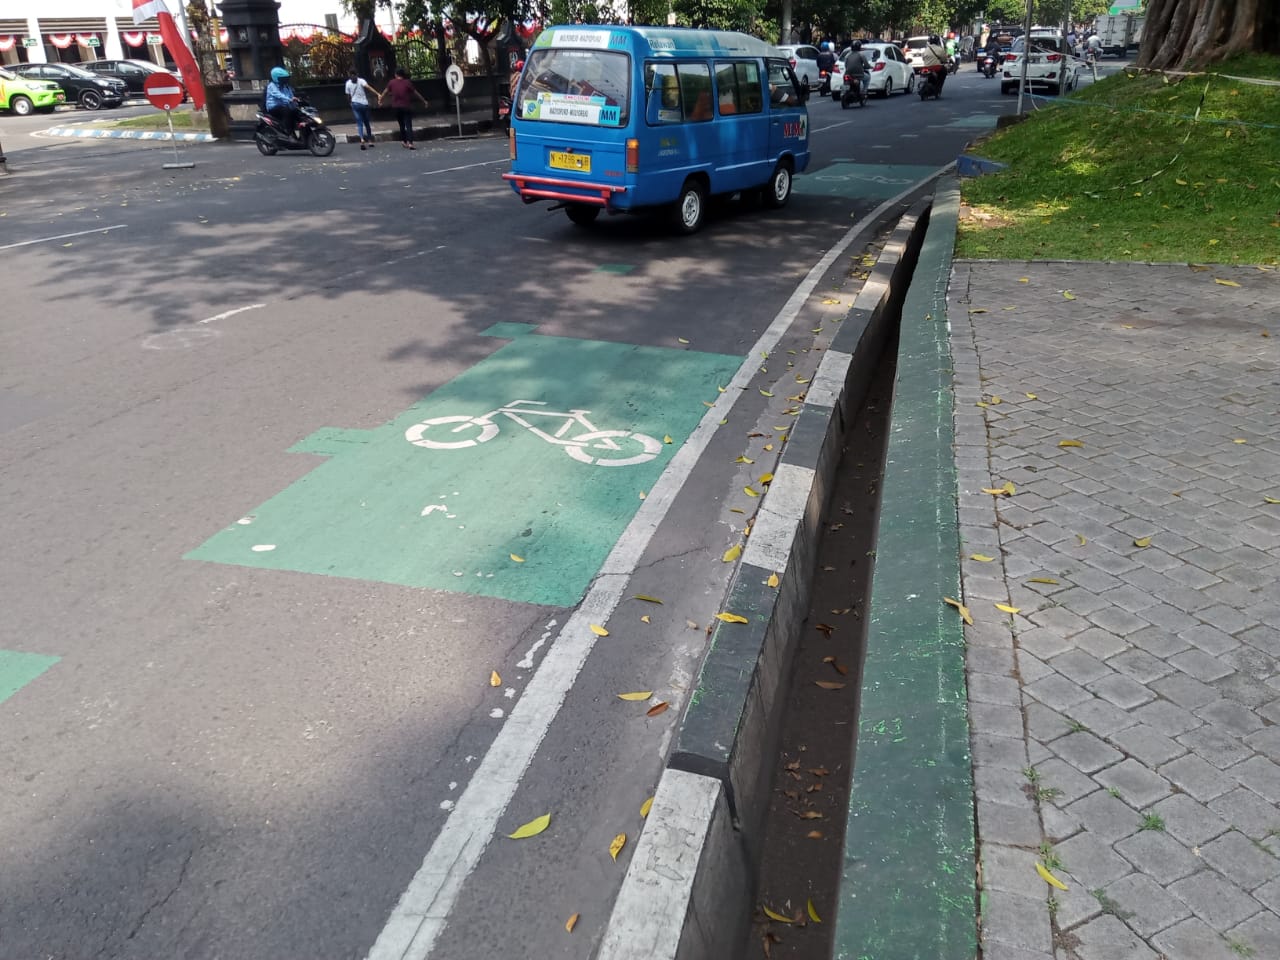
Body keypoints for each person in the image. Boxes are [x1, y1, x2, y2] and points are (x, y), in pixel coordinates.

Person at [385, 67, 429, 149]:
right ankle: (410, 143)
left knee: (401, 125)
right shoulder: (407, 82)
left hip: (396, 108)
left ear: (396, 75)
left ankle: (404, 141)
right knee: (408, 125)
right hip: (406, 107)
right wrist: (424, 101)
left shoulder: (391, 82)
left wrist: (380, 99)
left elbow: (385, 91)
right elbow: (416, 93)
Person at [345, 69, 383, 150]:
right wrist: (377, 94)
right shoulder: (361, 80)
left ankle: (362, 139)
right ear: (357, 74)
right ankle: (370, 141)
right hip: (364, 104)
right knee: (367, 123)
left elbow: (348, 96)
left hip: (355, 104)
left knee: (359, 123)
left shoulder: (348, 83)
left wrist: (350, 103)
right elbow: (369, 88)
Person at [264, 65, 302, 140]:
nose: (285, 80)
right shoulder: (272, 86)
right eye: (283, 78)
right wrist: (289, 99)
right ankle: (288, 132)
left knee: (298, 112)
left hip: (284, 106)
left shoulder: (286, 86)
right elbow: (278, 95)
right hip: (274, 107)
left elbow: (291, 95)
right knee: (287, 111)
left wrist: (296, 101)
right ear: (276, 78)